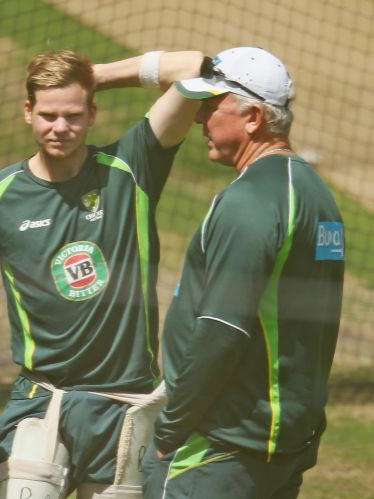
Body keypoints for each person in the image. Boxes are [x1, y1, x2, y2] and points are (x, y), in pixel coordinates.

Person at [0, 49, 205, 497]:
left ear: (93, 112)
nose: (60, 127)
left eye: (74, 114)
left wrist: (93, 76)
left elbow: (192, 68)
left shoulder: (132, 168)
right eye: (48, 114)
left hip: (124, 405)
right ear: (27, 112)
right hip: (40, 401)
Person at [143, 47, 345, 498]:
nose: (199, 120)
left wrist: (169, 431)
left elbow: (222, 328)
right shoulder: (317, 195)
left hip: (220, 445)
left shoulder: (251, 201)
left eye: (212, 107)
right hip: (279, 441)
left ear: (252, 116)